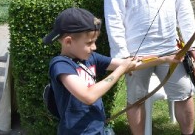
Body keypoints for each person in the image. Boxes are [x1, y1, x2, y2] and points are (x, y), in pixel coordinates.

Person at [104, 0, 195, 135]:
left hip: (171, 49)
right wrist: (122, 56)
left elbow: (184, 9)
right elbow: (114, 18)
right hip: (135, 53)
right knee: (136, 100)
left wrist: (193, 43)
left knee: (184, 93)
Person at [45, 7, 164, 135]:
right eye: (89, 42)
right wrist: (121, 70)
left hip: (97, 129)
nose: (94, 47)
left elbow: (130, 64)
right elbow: (88, 96)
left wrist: (166, 59)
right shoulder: (61, 65)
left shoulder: (90, 58)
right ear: (68, 41)